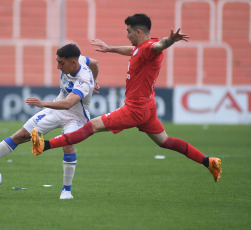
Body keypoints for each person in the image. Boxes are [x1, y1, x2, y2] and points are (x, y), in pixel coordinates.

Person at [30, 13, 222, 182]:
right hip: (148, 107)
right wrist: (110, 48)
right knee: (166, 141)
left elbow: (160, 45)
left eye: (129, 31)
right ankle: (208, 161)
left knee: (91, 126)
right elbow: (133, 51)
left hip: (135, 109)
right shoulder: (141, 48)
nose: (127, 35)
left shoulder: (150, 48)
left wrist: (170, 40)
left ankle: (44, 145)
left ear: (139, 32)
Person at [0, 43, 100, 199]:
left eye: (61, 63)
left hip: (76, 117)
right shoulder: (81, 60)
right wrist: (97, 80)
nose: (57, 66)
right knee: (21, 135)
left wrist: (42, 103)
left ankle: (66, 191)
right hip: (56, 110)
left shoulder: (83, 81)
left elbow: (68, 103)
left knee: (68, 144)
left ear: (72, 62)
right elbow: (95, 63)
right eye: (57, 61)